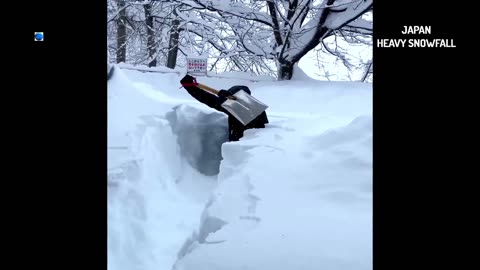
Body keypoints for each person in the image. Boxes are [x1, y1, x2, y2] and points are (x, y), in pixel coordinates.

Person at [180, 74, 268, 141]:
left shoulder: (238, 107)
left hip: (243, 148)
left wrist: (190, 88)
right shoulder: (257, 108)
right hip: (252, 146)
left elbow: (208, 99)